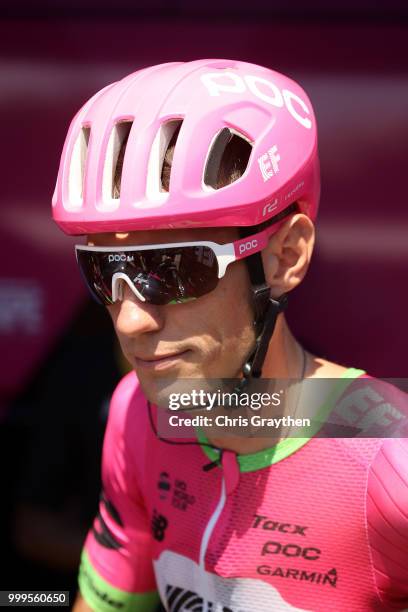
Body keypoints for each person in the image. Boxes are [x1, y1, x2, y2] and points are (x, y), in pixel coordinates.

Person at [52, 60, 408, 611]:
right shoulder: (134, 419)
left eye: (173, 271)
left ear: (285, 257)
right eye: (105, 272)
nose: (130, 321)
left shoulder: (389, 467)